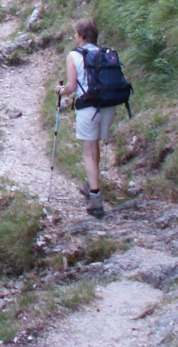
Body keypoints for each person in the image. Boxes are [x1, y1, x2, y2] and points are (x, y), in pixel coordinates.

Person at [57, 17, 114, 217]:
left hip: (88, 107)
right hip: (108, 106)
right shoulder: (106, 53)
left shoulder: (74, 55)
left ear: (81, 36)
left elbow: (71, 87)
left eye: (76, 33)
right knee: (95, 146)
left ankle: (95, 199)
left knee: (89, 152)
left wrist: (60, 91)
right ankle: (89, 183)